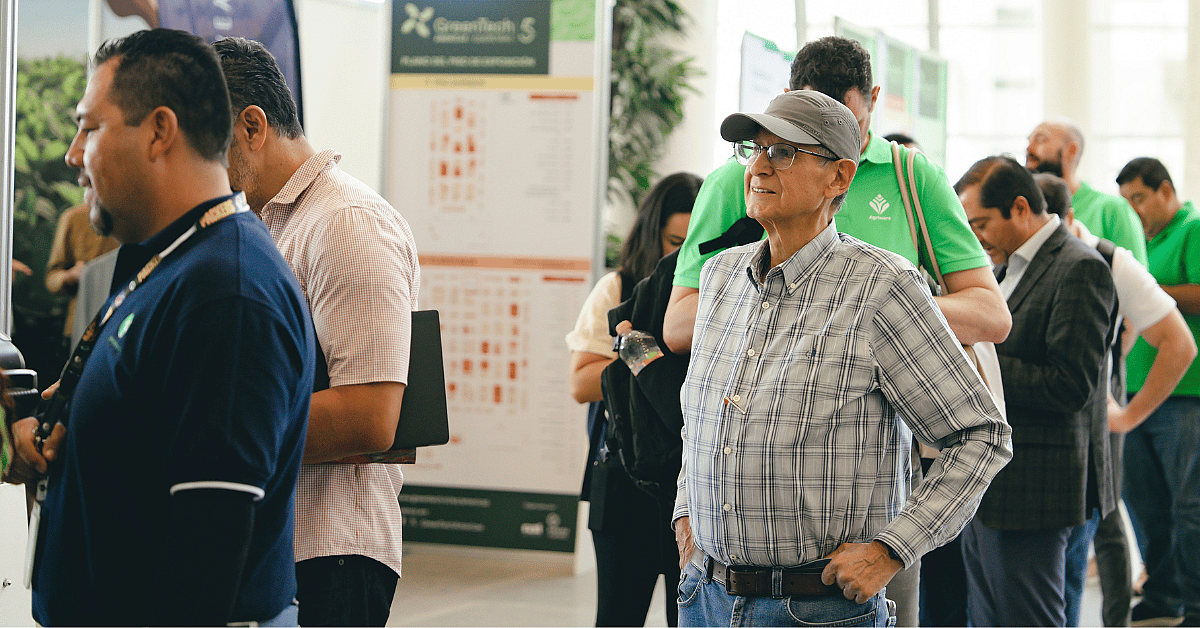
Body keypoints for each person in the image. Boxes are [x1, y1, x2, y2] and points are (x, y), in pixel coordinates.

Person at [663, 36, 1010, 628]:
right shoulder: (721, 278)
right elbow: (704, 415)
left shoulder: (883, 286)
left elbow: (981, 436)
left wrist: (892, 550)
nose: (760, 165)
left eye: (786, 153)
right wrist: (687, 516)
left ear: (838, 178)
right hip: (706, 596)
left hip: (817, 609)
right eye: (756, 148)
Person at [2, 28, 314, 626]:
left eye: (89, 128)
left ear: (159, 132)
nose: (73, 154)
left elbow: (208, 545)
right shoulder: (170, 260)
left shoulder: (228, 293)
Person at [214, 36, 420, 626]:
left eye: (206, 144)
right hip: (281, 549)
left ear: (252, 126)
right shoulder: (266, 224)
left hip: (330, 556)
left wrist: (209, 431)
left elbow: (370, 415)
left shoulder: (346, 222)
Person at [956, 156, 1117, 626]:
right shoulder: (1004, 270)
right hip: (990, 481)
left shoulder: (1080, 268)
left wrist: (977, 362)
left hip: (1036, 486)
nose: (976, 236)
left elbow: (1071, 386)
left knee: (1029, 618)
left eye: (981, 223)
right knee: (988, 617)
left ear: (1021, 208)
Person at [1039, 172, 1196, 626]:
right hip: (1084, 416)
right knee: (1131, 515)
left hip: (1156, 406)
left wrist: (1124, 412)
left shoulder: (1111, 257)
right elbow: (1124, 330)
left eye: (1142, 196)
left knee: (1145, 517)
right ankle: (1159, 597)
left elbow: (1175, 340)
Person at [566, 172, 699, 627]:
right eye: (671, 240)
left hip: (692, 483)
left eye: (690, 243)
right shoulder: (618, 288)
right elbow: (581, 382)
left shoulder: (712, 295)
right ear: (651, 234)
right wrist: (641, 356)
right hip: (623, 479)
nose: (677, 255)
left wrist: (643, 356)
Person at [1114, 157, 1200, 627]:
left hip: (1185, 395)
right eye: (1127, 201)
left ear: (1166, 190)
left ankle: (1195, 604)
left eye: (1141, 198)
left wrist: (1144, 289)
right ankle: (1164, 595)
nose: (1135, 209)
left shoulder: (1193, 229)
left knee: (1189, 507)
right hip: (1135, 394)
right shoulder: (1143, 240)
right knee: (1145, 504)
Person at [1026, 118, 1149, 266]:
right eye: (1028, 141)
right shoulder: (1024, 210)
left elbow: (1136, 278)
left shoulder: (1112, 209)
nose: (1029, 149)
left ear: (1071, 150)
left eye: (1040, 140)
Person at [44, 203, 119, 347]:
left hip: (121, 327)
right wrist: (69, 276)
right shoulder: (74, 217)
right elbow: (52, 278)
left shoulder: (137, 217)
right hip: (80, 327)